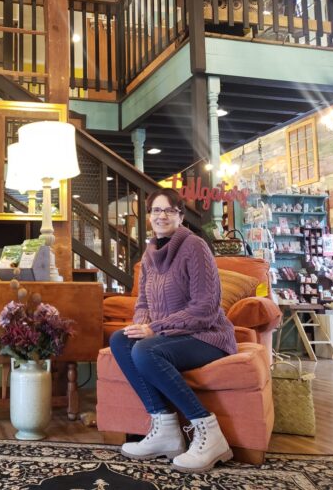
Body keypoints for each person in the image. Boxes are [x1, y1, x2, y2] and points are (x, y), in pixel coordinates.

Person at [109, 188, 236, 473]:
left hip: (207, 336)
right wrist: (142, 324)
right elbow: (143, 302)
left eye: (169, 210)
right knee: (120, 339)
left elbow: (205, 308)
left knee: (144, 350)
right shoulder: (150, 253)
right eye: (156, 210)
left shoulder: (195, 247)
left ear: (180, 215)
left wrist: (154, 328)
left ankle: (209, 432)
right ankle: (165, 429)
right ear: (149, 216)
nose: (162, 216)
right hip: (171, 336)